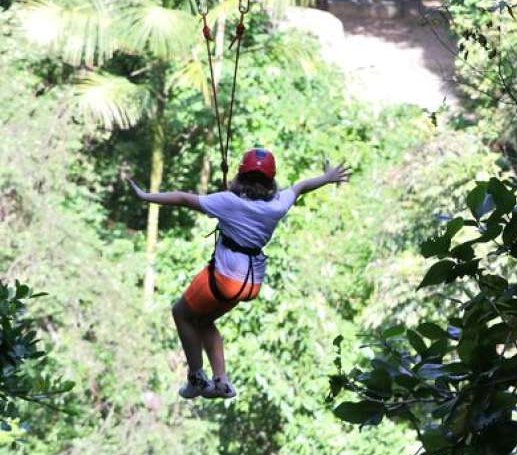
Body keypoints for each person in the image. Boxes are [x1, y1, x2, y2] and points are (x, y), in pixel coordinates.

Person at [126, 148, 351, 399]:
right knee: (203, 321)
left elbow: (185, 199)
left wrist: (147, 196)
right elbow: (300, 186)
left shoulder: (228, 202)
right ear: (271, 181)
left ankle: (197, 379)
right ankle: (221, 381)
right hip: (250, 282)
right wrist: (327, 177)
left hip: (224, 278)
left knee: (181, 313)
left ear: (241, 177)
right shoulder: (278, 204)